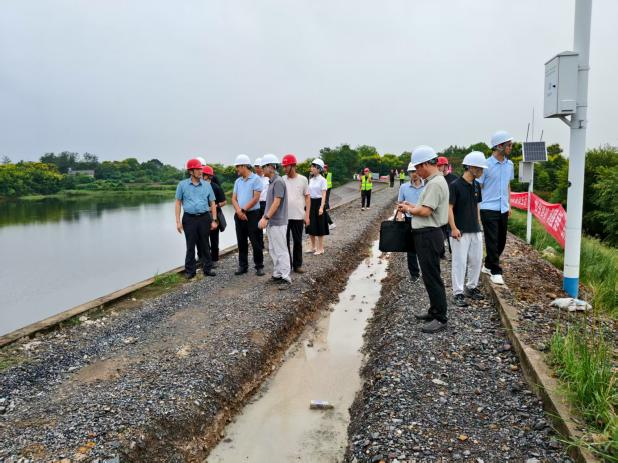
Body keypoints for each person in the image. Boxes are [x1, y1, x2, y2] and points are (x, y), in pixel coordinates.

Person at [397, 146, 449, 334]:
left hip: (428, 234)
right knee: (428, 275)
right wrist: (412, 205)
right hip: (427, 233)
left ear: (426, 164)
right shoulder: (434, 182)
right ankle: (434, 310)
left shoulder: (435, 183)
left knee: (432, 276)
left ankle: (440, 317)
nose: (417, 172)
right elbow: (426, 207)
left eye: (418, 167)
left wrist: (408, 209)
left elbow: (426, 211)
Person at [448, 151, 487, 307]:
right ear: (470, 167)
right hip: (460, 231)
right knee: (460, 262)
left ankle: (471, 287)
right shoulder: (455, 185)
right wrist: (453, 228)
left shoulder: (476, 185)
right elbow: (449, 208)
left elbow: (477, 205)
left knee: (476, 260)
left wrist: (479, 223)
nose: (482, 171)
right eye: (480, 168)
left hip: (475, 229)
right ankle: (457, 293)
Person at [478, 131, 515, 285]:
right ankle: (495, 271)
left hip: (503, 208)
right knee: (492, 240)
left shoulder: (510, 165)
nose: (511, 148)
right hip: (488, 208)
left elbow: (507, 185)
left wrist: (509, 204)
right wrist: (477, 209)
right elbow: (478, 187)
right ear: (499, 146)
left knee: (501, 241)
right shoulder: (485, 165)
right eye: (509, 145)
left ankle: (487, 265)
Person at [175, 158, 218, 279]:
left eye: (201, 169)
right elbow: (178, 203)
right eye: (197, 169)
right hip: (189, 219)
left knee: (205, 244)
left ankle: (207, 268)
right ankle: (190, 271)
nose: (200, 171)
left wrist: (214, 220)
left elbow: (212, 202)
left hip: (204, 217)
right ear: (191, 171)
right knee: (190, 245)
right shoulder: (182, 185)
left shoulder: (207, 185)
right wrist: (178, 222)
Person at [258, 154, 292, 290]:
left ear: (271, 167)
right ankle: (277, 274)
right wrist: (266, 218)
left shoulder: (278, 182)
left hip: (278, 222)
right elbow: (270, 203)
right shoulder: (271, 182)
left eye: (263, 167)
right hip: (272, 222)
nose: (262, 169)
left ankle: (286, 277)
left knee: (281, 249)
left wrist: (265, 218)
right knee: (273, 249)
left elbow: (277, 202)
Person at [232, 154, 265, 276]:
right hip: (240, 214)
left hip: (252, 215)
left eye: (238, 166)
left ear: (244, 166)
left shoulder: (256, 179)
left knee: (255, 241)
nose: (237, 169)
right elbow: (234, 199)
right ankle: (243, 266)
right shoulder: (238, 181)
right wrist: (239, 211)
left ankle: (259, 266)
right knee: (241, 241)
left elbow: (256, 198)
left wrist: (243, 210)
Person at [282, 153, 310, 274]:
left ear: (292, 166)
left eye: (286, 166)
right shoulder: (282, 179)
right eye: (283, 166)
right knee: (285, 242)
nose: (284, 169)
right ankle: (287, 265)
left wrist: (307, 215)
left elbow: (307, 197)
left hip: (298, 216)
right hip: (284, 217)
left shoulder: (303, 179)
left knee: (297, 241)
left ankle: (297, 265)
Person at [398, 161, 425, 282]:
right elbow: (400, 204)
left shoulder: (427, 186)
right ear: (408, 173)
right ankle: (414, 274)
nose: (414, 174)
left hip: (424, 219)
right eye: (411, 172)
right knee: (411, 248)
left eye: (415, 171)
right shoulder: (403, 187)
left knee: (425, 247)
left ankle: (427, 271)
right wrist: (400, 219)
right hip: (409, 220)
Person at [202, 165, 227, 267]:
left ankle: (215, 259)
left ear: (207, 176)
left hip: (214, 215)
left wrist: (214, 206)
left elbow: (224, 202)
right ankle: (206, 259)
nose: (201, 176)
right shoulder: (200, 186)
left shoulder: (216, 187)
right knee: (204, 239)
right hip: (203, 216)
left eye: (203, 174)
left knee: (214, 238)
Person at [306, 158, 329, 254]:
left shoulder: (323, 180)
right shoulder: (311, 179)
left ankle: (321, 248)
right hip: (311, 203)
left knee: (320, 226)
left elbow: (324, 194)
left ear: (319, 169)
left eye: (313, 167)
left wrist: (321, 207)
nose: (311, 168)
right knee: (310, 225)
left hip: (319, 203)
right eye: (311, 166)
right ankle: (313, 247)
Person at [254, 157, 270, 248]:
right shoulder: (254, 178)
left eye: (258, 166)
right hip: (256, 203)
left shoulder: (268, 177)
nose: (256, 168)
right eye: (255, 167)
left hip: (266, 203)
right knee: (257, 225)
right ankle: (260, 245)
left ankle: (271, 243)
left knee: (268, 223)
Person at [323, 163, 335, 229]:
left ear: (327, 168)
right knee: (325, 198)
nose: (324, 169)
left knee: (326, 198)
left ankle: (327, 207)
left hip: (328, 187)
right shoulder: (322, 174)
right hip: (324, 188)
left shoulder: (329, 174)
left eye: (325, 167)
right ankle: (327, 207)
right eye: (323, 167)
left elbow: (330, 180)